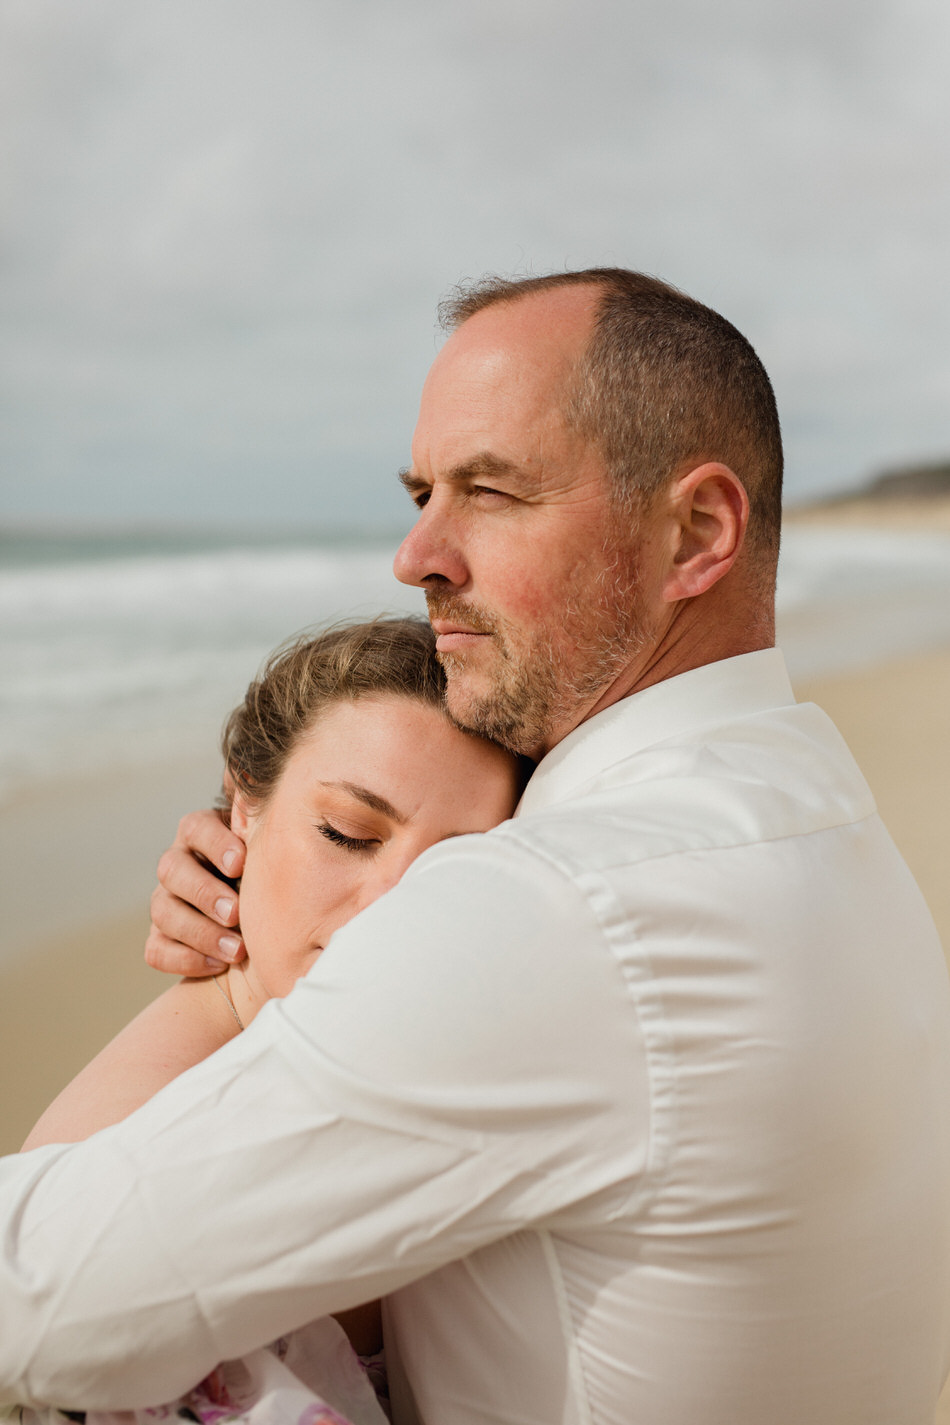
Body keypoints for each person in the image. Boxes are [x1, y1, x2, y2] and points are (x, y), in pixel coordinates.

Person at [2, 268, 950, 1424]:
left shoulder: (565, 910)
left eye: (491, 493)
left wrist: (238, 990)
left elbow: (39, 1311)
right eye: (419, 494)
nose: (416, 555)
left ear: (696, 532)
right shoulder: (817, 823)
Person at [16, 616, 521, 1425]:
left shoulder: (450, 1063)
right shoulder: (128, 1157)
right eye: (348, 834)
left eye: (454, 869)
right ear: (242, 807)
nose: (386, 910)